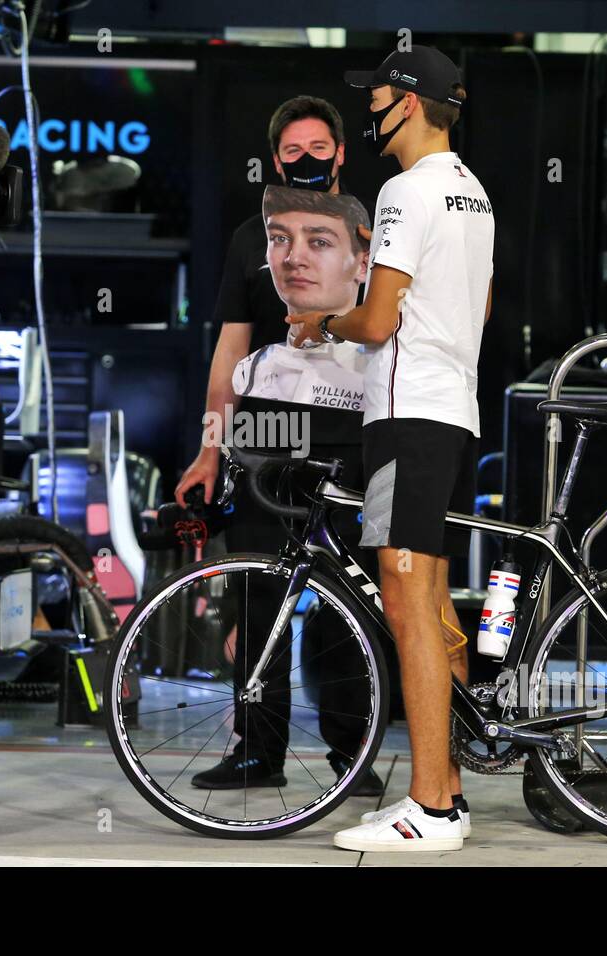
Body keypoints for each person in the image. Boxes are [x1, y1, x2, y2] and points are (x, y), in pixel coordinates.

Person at [289, 46, 494, 852]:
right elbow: (476, 310)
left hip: (406, 419)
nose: (368, 111)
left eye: (375, 98)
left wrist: (320, 325)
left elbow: (375, 324)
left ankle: (432, 810)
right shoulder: (472, 191)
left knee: (408, 603)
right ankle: (443, 791)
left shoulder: (406, 191)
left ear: (408, 103)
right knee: (433, 606)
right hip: (451, 412)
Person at [175, 97, 384, 795]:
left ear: (341, 152)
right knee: (259, 591)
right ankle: (257, 751)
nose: (306, 159)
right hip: (266, 430)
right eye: (291, 151)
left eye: (318, 146)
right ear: (274, 159)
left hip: (353, 428)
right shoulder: (247, 239)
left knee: (343, 601)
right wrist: (210, 447)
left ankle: (351, 756)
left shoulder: (374, 230)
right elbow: (229, 349)